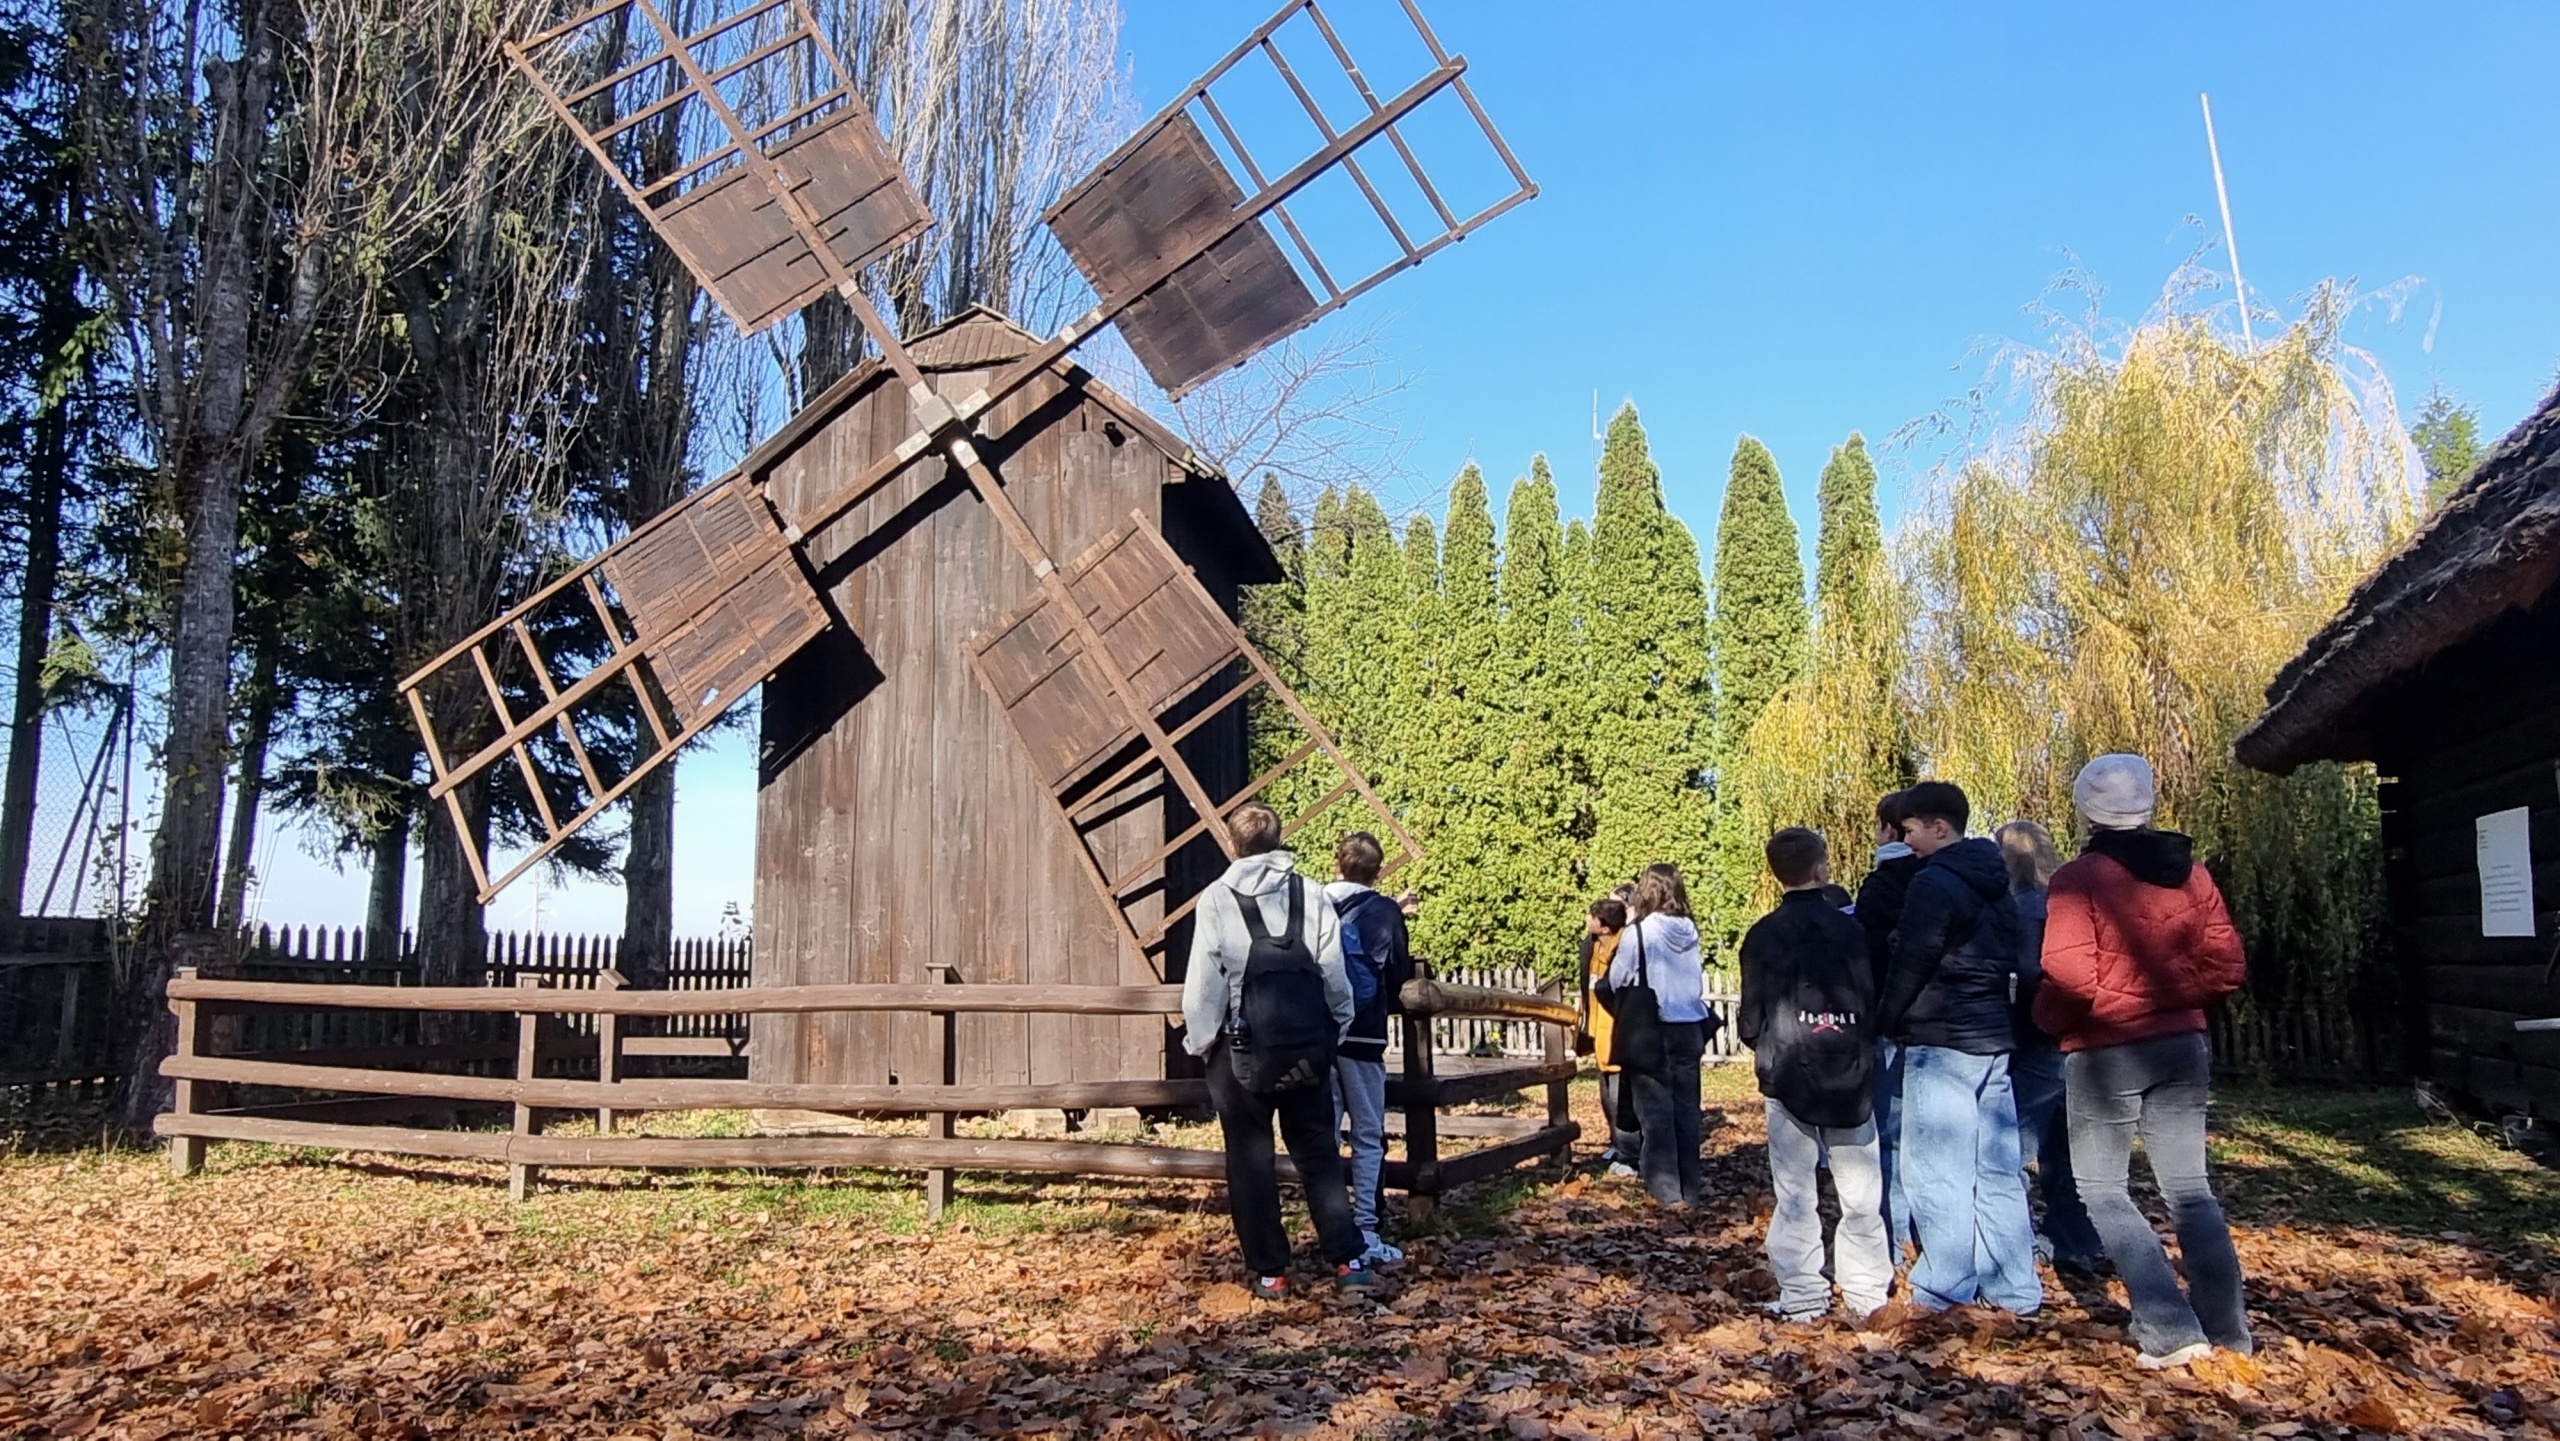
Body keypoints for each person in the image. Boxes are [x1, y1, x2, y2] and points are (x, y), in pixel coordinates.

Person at [2037, 754, 2251, 1368]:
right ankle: (2228, 1330)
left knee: (2103, 1189)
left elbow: (2071, 976)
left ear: (2087, 809)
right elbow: (2227, 966)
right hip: (2183, 1043)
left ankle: (2169, 1327)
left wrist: (2046, 1020)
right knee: (2190, 1189)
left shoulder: (2079, 879)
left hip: (2106, 1051)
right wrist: (2173, 997)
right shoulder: (2192, 875)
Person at [1180, 802, 1373, 1298]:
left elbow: (1204, 983)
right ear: (1279, 838)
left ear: (1233, 845)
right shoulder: (1311, 892)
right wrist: (1335, 1027)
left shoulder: (1217, 898)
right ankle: (1347, 1259)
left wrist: (1202, 1042)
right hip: (1307, 1045)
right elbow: (1334, 972)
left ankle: (1272, 1271)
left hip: (1239, 1048)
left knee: (1250, 1158)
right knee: (1318, 1150)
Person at [1877, 780, 2041, 1315]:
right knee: (1996, 1169)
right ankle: (2014, 1287)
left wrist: (1888, 1018)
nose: (1907, 841)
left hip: (1940, 1036)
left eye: (1911, 831)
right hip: (1991, 1037)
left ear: (1939, 827)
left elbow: (1914, 959)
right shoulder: (1995, 882)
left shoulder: (1934, 883)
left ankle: (1945, 1287)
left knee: (1936, 1169)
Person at [1738, 828, 1892, 1323]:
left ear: (1775, 873)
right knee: (1861, 1190)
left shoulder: (1763, 935)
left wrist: (1766, 1045)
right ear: (1822, 867)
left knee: (1795, 1190)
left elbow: (1750, 1016)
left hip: (1787, 1072)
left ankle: (1803, 1292)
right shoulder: (1853, 932)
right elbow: (1871, 998)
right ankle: (1867, 1289)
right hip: (1850, 1070)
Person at [1993, 819, 2106, 1277]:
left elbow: (2025, 976)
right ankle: (2077, 1241)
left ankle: (2016, 1245)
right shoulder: (2070, 903)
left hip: (2035, 1039)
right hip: (2079, 1042)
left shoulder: (2021, 911)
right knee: (2065, 1150)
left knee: (2010, 1147)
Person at [1602, 863, 1715, 1207]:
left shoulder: (1640, 932)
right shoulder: (1690, 930)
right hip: (1690, 1026)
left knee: (1655, 1113)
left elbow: (1618, 978)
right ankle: (1690, 1188)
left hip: (1652, 1028)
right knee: (1687, 1111)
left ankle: (1665, 1191)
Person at [1325, 831, 1414, 1267]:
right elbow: (1398, 973)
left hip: (1319, 1033)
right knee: (1367, 1134)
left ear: (1337, 864)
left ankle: (1330, 1226)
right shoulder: (1384, 911)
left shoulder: (1313, 903)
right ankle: (1365, 1228)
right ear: (1377, 872)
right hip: (1363, 1033)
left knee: (1323, 1135)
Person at [1853, 790, 1925, 1257]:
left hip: (1889, 1020)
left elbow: (1869, 956)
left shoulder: (1880, 887)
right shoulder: (1939, 876)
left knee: (1890, 1134)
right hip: (1940, 1023)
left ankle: (1894, 1237)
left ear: (1887, 830)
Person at [1580, 895, 1643, 1177]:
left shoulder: (1624, 948)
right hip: (1598, 1028)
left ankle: (1631, 1152)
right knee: (1606, 1094)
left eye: (1592, 916)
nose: (1587, 919)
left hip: (1618, 1030)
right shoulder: (1591, 947)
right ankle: (1616, 1143)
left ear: (1605, 926)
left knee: (1621, 1097)